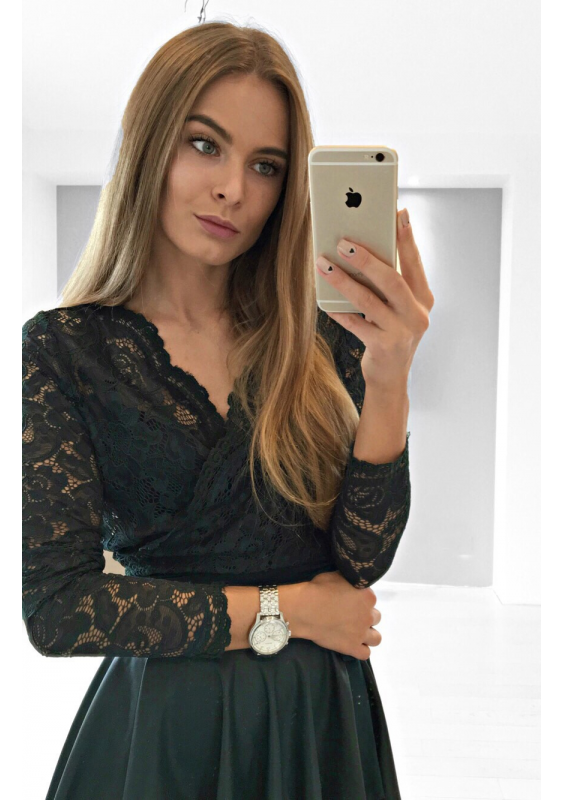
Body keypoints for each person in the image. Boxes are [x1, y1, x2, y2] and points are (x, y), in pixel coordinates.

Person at [23, 21, 431, 800]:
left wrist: (391, 378)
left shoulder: (321, 336)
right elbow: (58, 608)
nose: (234, 190)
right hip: (166, 727)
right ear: (149, 144)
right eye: (204, 144)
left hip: (318, 721)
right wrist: (291, 613)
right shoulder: (65, 350)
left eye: (266, 165)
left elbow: (362, 560)